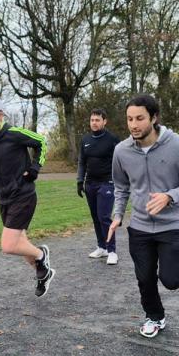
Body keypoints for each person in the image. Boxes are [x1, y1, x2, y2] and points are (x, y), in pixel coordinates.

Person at [107, 94, 179, 338]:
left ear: (154, 118)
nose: (133, 125)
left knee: (170, 280)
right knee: (144, 278)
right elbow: (121, 186)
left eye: (139, 118)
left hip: (172, 223)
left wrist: (170, 196)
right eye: (129, 119)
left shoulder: (178, 145)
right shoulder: (121, 151)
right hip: (139, 225)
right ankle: (154, 317)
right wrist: (118, 215)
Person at [0, 95, 55, 297]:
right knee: (21, 245)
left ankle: (42, 254)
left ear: (0, 115)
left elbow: (41, 142)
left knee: (8, 246)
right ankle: (45, 273)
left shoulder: (14, 134)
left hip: (23, 194)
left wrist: (34, 168)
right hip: (3, 197)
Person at [77, 108, 120, 265]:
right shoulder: (85, 139)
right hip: (90, 184)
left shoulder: (113, 139)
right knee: (95, 217)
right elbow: (82, 162)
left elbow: (121, 160)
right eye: (92, 120)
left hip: (107, 182)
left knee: (104, 217)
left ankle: (112, 250)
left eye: (97, 120)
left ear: (104, 121)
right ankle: (101, 247)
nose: (94, 123)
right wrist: (79, 181)